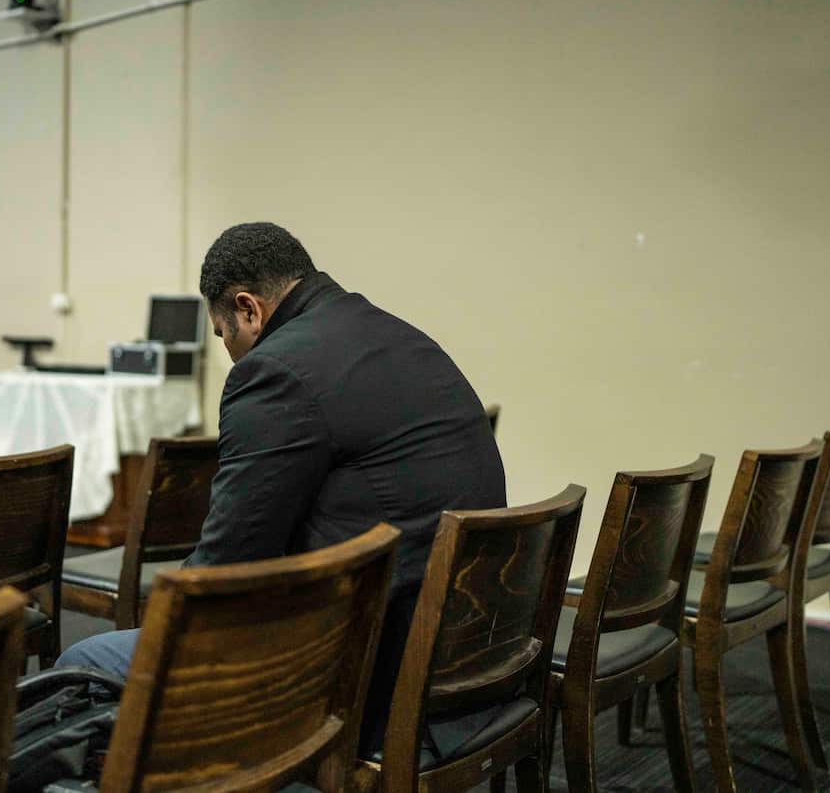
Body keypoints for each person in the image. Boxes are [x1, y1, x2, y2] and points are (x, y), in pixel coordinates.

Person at [58, 221, 506, 752]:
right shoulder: (399, 335)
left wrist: (161, 626)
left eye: (224, 335)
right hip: (469, 653)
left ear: (248, 310)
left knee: (78, 665)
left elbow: (226, 568)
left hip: (373, 678)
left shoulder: (275, 370)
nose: (228, 350)